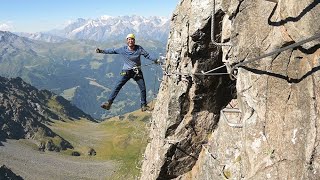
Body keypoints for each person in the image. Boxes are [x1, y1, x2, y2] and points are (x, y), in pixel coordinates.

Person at [96, 33, 159, 111]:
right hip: (125, 72)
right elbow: (112, 51)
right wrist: (101, 51)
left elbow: (147, 55)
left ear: (134, 40)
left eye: (132, 39)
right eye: (129, 39)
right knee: (117, 86)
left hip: (137, 72)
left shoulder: (139, 49)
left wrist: (155, 59)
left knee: (142, 88)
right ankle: (109, 103)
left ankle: (143, 105)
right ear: (127, 41)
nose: (130, 41)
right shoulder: (123, 49)